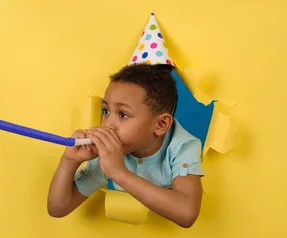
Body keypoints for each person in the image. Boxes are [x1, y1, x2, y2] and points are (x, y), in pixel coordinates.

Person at [47, 63, 204, 228]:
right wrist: (69, 162)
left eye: (123, 114)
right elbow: (58, 209)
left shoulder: (183, 146)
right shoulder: (110, 153)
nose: (108, 125)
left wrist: (118, 172)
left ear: (161, 124)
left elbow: (187, 213)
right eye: (106, 111)